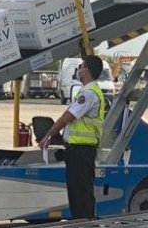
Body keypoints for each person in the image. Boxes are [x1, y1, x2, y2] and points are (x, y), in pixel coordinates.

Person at [38, 55, 105, 219]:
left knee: (80, 194)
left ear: (87, 70)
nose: (79, 70)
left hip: (81, 151)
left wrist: (48, 135)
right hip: (81, 150)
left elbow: (67, 117)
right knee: (81, 193)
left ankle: (83, 227)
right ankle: (84, 225)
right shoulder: (89, 91)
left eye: (81, 66)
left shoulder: (88, 94)